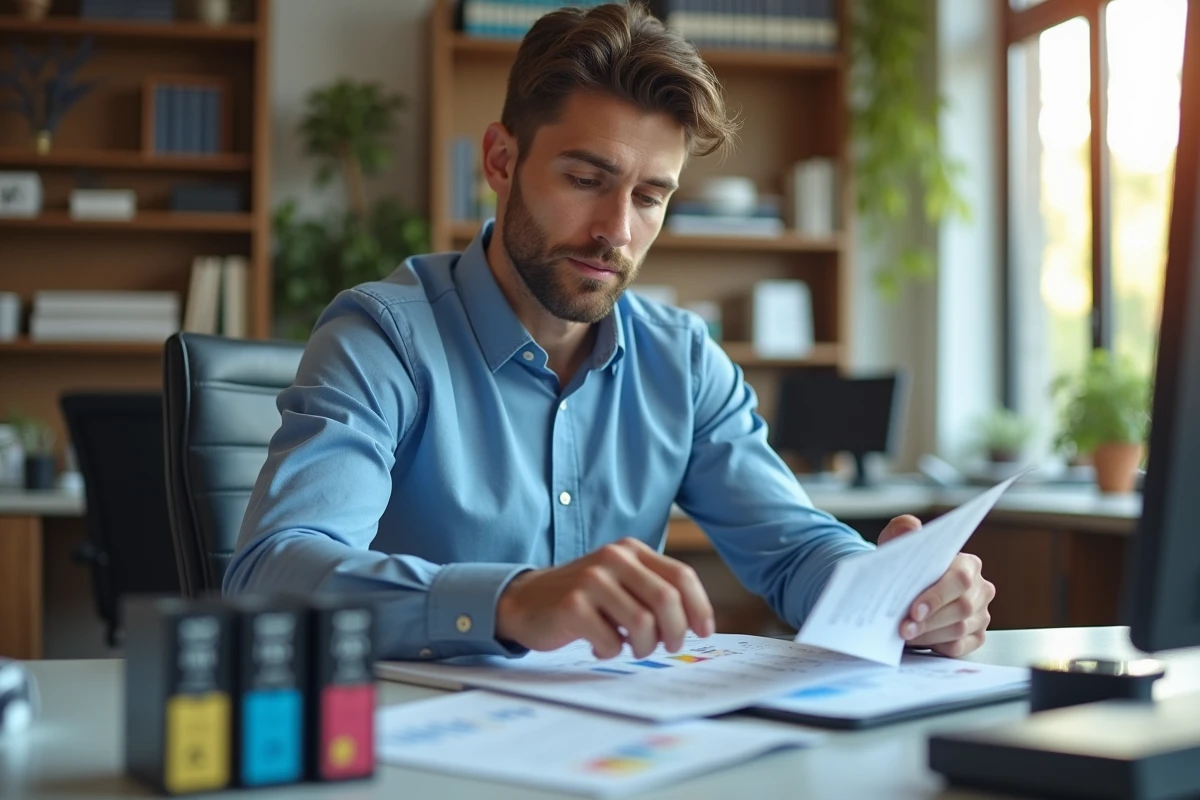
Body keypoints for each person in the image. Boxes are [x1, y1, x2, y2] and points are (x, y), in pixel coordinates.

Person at [225, 2, 995, 662]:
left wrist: (897, 594)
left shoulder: (684, 361)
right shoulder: (383, 337)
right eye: (586, 180)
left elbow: (794, 549)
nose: (615, 232)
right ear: (501, 160)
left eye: (651, 197)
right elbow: (273, 573)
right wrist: (508, 601)